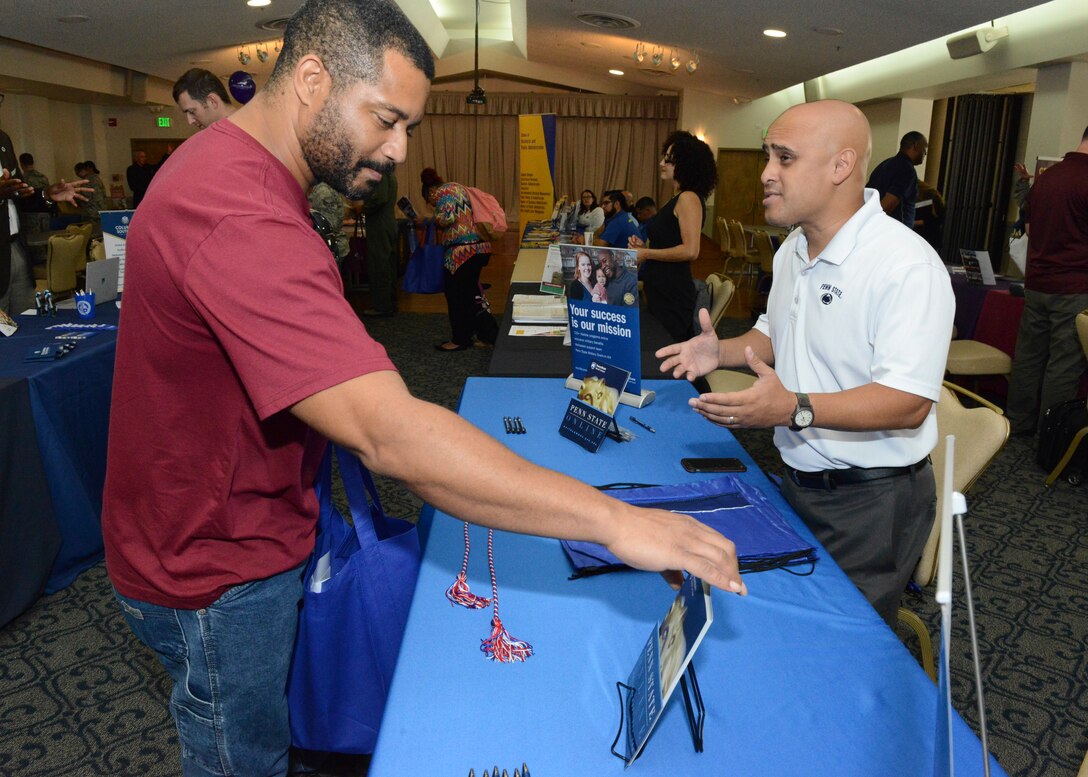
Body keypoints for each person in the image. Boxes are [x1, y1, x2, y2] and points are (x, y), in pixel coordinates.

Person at [103, 7, 745, 772]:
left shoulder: (245, 175)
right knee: (243, 755)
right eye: (386, 119)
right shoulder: (236, 208)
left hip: (240, 519)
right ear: (312, 80)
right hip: (212, 564)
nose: (400, 148)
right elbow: (387, 434)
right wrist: (612, 520)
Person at [657, 99, 954, 627]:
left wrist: (793, 408)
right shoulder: (794, 247)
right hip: (798, 478)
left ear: (841, 166)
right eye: (770, 156)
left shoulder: (906, 265)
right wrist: (719, 351)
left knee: (842, 650)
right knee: (788, 627)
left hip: (873, 501)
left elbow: (908, 403)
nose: (766, 174)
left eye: (784, 158)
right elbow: (776, 331)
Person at [1006, 127, 1088, 437]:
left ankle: (1017, 422)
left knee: (1029, 358)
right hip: (1075, 286)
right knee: (1064, 365)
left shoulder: (1047, 179)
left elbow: (1029, 226)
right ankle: (1052, 436)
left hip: (1038, 283)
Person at [1, 93, 90, 314]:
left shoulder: (3, 140)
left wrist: (47, 196)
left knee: (27, 325)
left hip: (16, 249)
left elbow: (20, 194)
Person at [629, 131, 716, 342]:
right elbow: (670, 240)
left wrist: (646, 253)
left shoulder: (688, 198)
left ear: (686, 164)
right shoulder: (677, 198)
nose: (662, 163)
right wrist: (644, 247)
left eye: (668, 160)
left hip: (673, 294)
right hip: (662, 289)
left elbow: (690, 250)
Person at [420, 167, 492, 351]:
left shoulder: (443, 193)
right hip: (479, 248)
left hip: (461, 253)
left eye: (429, 202)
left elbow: (447, 218)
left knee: (456, 297)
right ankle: (485, 336)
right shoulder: (459, 188)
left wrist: (433, 218)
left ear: (429, 193)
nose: (432, 204)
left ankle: (460, 339)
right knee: (471, 296)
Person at [866, 131, 927, 227]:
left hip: (872, 226)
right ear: (916, 145)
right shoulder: (907, 170)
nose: (925, 153)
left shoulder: (885, 164)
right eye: (924, 148)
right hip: (891, 232)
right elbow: (887, 206)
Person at [361, 169, 399, 317]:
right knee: (388, 265)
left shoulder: (380, 175)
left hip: (379, 224)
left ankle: (382, 306)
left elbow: (380, 198)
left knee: (379, 265)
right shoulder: (390, 175)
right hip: (388, 222)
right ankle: (390, 303)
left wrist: (363, 208)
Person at [307, 181, 348, 259]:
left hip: (331, 247)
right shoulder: (325, 188)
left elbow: (330, 224)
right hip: (332, 245)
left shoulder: (323, 191)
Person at [16, 152, 53, 237]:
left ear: (21, 164)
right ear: (32, 162)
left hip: (30, 216)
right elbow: (48, 195)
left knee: (33, 244)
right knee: (46, 241)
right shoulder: (43, 177)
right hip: (45, 213)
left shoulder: (22, 179)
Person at [75, 160, 107, 227]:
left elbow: (85, 198)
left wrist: (74, 196)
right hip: (101, 211)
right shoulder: (96, 178)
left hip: (90, 213)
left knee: (90, 234)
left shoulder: (86, 181)